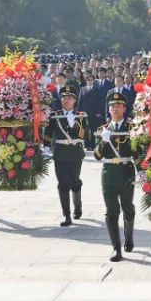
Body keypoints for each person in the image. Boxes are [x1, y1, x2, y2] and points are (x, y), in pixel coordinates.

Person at [93, 92, 136, 262]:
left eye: (118, 105)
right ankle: (116, 248)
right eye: (112, 106)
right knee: (111, 212)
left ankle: (129, 237)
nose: (115, 108)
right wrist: (104, 141)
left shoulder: (132, 128)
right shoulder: (103, 129)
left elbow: (137, 152)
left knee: (128, 208)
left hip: (126, 172)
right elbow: (97, 156)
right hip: (109, 173)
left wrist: (142, 170)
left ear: (124, 108)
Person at [48, 82, 86, 227]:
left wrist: (73, 122)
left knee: (75, 182)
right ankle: (67, 215)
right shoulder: (55, 115)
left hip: (75, 153)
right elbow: (48, 133)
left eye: (69, 98)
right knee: (63, 184)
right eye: (63, 97)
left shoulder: (81, 116)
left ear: (74, 100)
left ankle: (78, 206)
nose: (66, 100)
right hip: (60, 153)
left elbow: (83, 135)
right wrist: (46, 148)